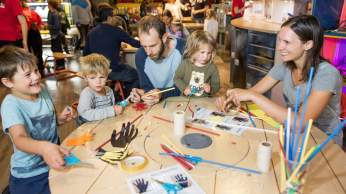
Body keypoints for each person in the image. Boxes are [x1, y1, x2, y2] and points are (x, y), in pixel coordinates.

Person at [217, 15, 343, 145]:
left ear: (308, 44)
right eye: (279, 40)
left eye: (287, 42)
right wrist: (231, 98)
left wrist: (253, 95)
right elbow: (253, 92)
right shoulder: (285, 66)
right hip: (295, 137)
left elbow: (301, 123)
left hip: (324, 142)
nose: (280, 47)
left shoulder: (327, 74)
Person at [0, 46, 76, 194]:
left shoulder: (42, 90)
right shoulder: (11, 105)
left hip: (53, 162)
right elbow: (19, 139)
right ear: (8, 82)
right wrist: (44, 148)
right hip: (29, 175)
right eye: (28, 74)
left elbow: (45, 123)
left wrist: (59, 118)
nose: (35, 77)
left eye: (36, 70)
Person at [84, 6, 140, 96]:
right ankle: (130, 98)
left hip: (96, 71)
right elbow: (135, 43)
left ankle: (115, 93)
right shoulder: (116, 31)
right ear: (109, 18)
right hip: (113, 71)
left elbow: (85, 54)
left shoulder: (91, 32)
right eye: (113, 16)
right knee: (136, 75)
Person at [130, 15, 185, 105]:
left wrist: (161, 93)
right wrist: (143, 93)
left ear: (164, 38)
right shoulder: (140, 56)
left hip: (183, 104)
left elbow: (188, 87)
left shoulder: (184, 49)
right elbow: (147, 88)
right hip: (157, 108)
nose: (148, 52)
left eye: (152, 46)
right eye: (144, 46)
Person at [77, 53, 124, 125]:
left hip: (106, 125)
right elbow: (85, 113)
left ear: (107, 76)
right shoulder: (87, 93)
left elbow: (112, 107)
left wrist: (125, 102)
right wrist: (112, 111)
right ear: (85, 78)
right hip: (90, 129)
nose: (98, 82)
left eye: (102, 77)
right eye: (92, 78)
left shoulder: (109, 90)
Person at [174, 30, 220, 97]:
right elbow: (177, 78)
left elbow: (216, 85)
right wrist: (184, 88)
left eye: (209, 53)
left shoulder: (212, 67)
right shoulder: (185, 64)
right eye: (202, 52)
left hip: (205, 102)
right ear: (193, 50)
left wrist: (211, 89)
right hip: (186, 100)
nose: (205, 56)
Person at [21, 0, 44, 76]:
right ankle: (40, 70)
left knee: (27, 54)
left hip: (25, 34)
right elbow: (41, 25)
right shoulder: (33, 12)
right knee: (38, 52)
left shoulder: (20, 13)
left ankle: (30, 71)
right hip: (35, 33)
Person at [47, 0, 65, 70]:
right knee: (55, 50)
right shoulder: (52, 13)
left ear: (51, 5)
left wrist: (48, 26)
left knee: (58, 50)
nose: (47, 5)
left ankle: (61, 65)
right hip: (54, 35)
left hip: (56, 35)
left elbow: (57, 26)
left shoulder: (54, 14)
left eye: (48, 4)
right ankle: (58, 64)